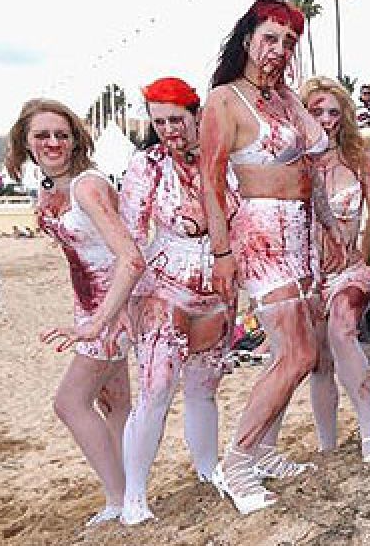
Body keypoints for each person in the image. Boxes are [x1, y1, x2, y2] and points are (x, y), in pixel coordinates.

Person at [199, 0, 344, 514]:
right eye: (269, 38)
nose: (279, 50)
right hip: (259, 234)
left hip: (300, 231)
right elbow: (211, 181)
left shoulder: (285, 100)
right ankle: (234, 462)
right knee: (298, 353)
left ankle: (262, 449)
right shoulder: (223, 100)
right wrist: (221, 253)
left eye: (288, 42)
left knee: (297, 350)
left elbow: (314, 160)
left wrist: (327, 225)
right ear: (246, 39)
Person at [8, 98, 145, 526]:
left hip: (111, 307)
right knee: (115, 402)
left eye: (61, 134)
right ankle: (132, 495)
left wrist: (99, 321)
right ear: (26, 142)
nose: (52, 142)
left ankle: (119, 498)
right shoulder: (49, 186)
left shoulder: (87, 185)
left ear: (75, 139)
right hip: (91, 303)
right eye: (42, 135)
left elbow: (131, 259)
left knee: (69, 403)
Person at [117, 78, 231, 525]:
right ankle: (134, 496)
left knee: (204, 389)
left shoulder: (222, 159)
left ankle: (207, 470)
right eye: (158, 120)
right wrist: (123, 307)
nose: (168, 129)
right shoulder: (146, 166)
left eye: (176, 119)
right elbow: (127, 237)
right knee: (156, 388)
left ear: (195, 114)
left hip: (217, 291)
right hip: (163, 286)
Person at [300, 76, 370, 461]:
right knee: (319, 358)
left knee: (343, 329)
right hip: (308, 274)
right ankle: (327, 443)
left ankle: (369, 428)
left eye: (333, 112)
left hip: (350, 269)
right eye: (317, 111)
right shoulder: (293, 167)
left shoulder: (361, 161)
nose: (326, 120)